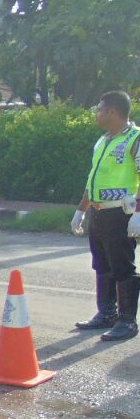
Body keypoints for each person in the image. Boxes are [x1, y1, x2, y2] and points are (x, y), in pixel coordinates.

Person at [71, 90, 140, 341]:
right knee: (102, 264)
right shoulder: (103, 141)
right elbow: (93, 178)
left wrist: (138, 213)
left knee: (122, 266)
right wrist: (81, 209)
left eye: (99, 108)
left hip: (121, 213)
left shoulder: (135, 138)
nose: (96, 113)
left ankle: (127, 321)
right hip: (99, 213)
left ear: (113, 111)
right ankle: (107, 313)